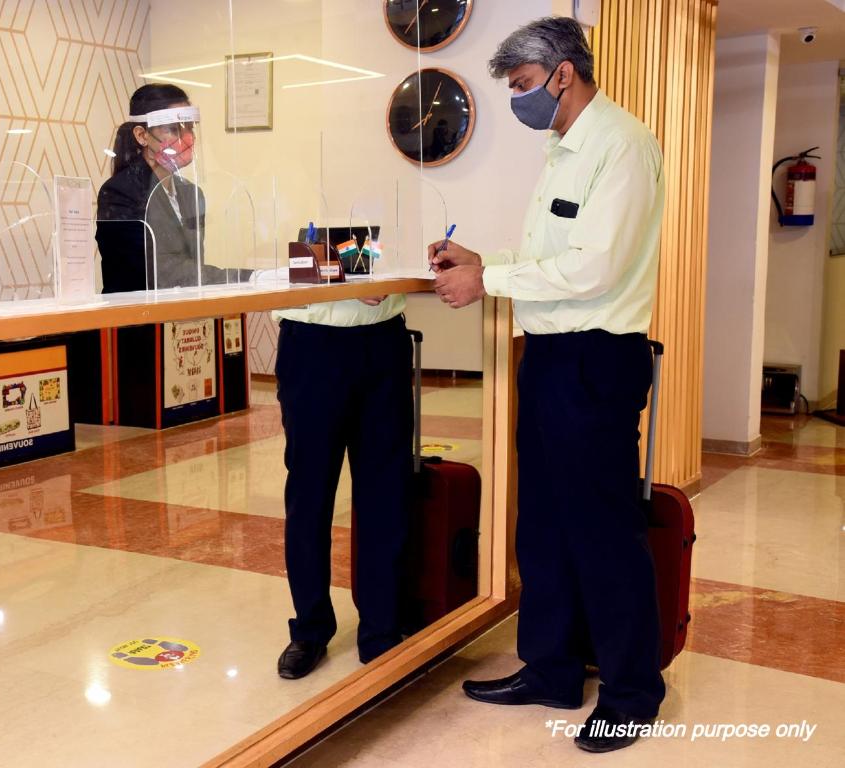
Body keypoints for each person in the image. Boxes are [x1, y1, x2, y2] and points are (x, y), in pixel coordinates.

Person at [428, 17, 666, 754]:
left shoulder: (621, 145)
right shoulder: (561, 149)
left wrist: (487, 280)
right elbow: (548, 256)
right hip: (553, 359)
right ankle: (552, 669)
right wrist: (481, 257)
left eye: (524, 85)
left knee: (600, 531)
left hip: (597, 360)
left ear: (563, 73)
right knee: (545, 524)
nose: (518, 101)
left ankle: (630, 692)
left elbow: (594, 268)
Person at [274, 288, 412, 680]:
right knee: (310, 494)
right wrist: (345, 282)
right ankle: (310, 627)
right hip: (311, 340)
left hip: (383, 340)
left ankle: (381, 629)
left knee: (386, 493)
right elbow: (264, 263)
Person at [96, 83, 232, 292]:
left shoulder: (191, 193)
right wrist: (242, 277)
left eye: (190, 128)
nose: (187, 137)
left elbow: (193, 267)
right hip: (138, 318)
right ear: (142, 135)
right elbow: (159, 270)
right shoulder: (119, 193)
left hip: (184, 316)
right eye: (173, 129)